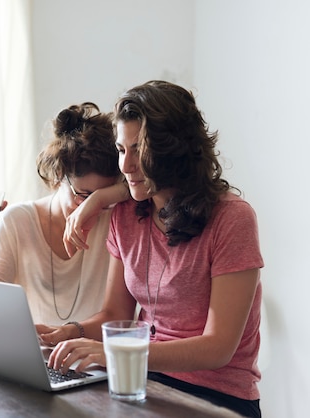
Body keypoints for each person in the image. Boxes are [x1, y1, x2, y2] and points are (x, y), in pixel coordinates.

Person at [40, 81, 263, 417]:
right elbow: (116, 314)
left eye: (139, 151)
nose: (126, 167)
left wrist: (116, 352)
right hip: (142, 383)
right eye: (121, 149)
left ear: (173, 151)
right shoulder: (126, 215)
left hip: (217, 398)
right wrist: (69, 333)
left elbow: (218, 348)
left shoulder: (233, 219)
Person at [0, 102, 129, 326]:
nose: (92, 208)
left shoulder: (116, 219)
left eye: (103, 197)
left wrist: (102, 200)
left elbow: (151, 186)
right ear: (59, 175)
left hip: (96, 356)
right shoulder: (18, 222)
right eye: (83, 195)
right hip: (37, 356)